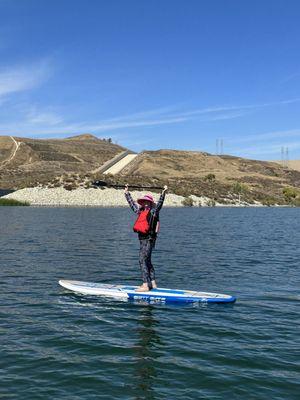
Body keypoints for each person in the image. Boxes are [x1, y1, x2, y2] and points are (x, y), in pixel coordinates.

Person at [124, 184, 168, 292]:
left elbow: (160, 204)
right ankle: (152, 283)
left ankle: (145, 285)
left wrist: (163, 193)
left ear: (150, 203)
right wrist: (127, 193)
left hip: (148, 240)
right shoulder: (141, 212)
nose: (145, 204)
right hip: (143, 240)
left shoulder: (154, 211)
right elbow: (132, 205)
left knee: (142, 260)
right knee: (147, 260)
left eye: (147, 202)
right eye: (144, 202)